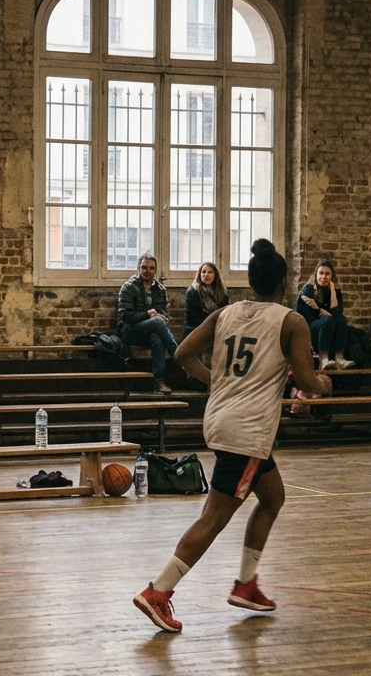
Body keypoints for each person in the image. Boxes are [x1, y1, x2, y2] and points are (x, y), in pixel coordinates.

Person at [132, 239, 332, 633]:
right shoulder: (291, 321)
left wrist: (218, 381)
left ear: (250, 280)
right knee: (215, 516)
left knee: (273, 497)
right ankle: (159, 591)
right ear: (284, 282)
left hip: (222, 417)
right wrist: (325, 383)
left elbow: (182, 354)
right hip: (248, 427)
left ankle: (247, 584)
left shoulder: (226, 313)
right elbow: (307, 380)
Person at [117, 252, 179, 394]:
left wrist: (161, 317)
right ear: (138, 268)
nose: (147, 271)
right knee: (156, 322)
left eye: (151, 268)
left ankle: (159, 382)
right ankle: (178, 355)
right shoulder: (129, 287)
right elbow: (124, 315)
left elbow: (164, 313)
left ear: (155, 270)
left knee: (157, 339)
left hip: (151, 330)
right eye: (144, 267)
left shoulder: (160, 290)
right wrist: (148, 315)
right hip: (130, 331)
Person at [296, 259, 353, 370]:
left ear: (332, 276)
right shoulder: (308, 289)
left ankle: (339, 357)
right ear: (316, 274)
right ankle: (323, 358)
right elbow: (305, 313)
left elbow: (337, 312)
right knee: (328, 321)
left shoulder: (335, 291)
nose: (324, 277)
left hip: (327, 324)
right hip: (309, 325)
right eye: (321, 273)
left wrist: (332, 290)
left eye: (327, 274)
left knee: (341, 320)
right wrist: (321, 313)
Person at [183, 262, 230, 338]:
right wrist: (213, 323)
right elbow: (193, 317)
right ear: (199, 274)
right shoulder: (193, 291)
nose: (206, 275)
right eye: (203, 272)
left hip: (217, 326)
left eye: (210, 272)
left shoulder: (222, 292)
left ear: (215, 275)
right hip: (196, 329)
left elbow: (224, 312)